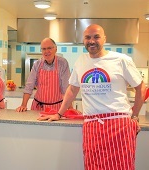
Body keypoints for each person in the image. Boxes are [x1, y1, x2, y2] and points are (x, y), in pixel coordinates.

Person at [38, 24, 146, 170]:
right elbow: (72, 89)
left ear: (104, 39)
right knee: (93, 166)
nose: (92, 41)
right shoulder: (81, 61)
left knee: (122, 166)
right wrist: (59, 113)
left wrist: (134, 116)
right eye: (88, 37)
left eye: (96, 37)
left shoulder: (121, 60)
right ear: (84, 40)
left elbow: (141, 88)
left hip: (119, 125)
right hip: (92, 125)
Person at [16, 38, 72, 112]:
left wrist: (70, 107)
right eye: (44, 49)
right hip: (38, 107)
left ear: (55, 49)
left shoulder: (62, 63)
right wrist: (23, 105)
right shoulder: (37, 64)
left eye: (49, 48)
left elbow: (65, 88)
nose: (46, 51)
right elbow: (29, 85)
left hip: (56, 108)